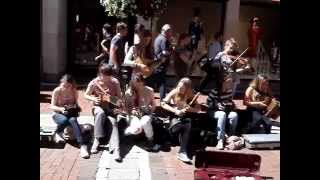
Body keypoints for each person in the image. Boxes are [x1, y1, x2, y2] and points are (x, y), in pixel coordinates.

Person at [84, 64, 123, 162]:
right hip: (98, 107)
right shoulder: (94, 82)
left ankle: (116, 150)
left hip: (110, 108)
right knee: (100, 113)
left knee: (113, 123)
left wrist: (111, 99)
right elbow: (86, 94)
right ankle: (97, 140)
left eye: (108, 75)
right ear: (100, 73)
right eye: (104, 75)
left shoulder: (115, 82)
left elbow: (120, 99)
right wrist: (93, 98)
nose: (106, 78)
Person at [161, 78, 201, 164]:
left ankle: (182, 152)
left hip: (184, 119)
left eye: (182, 88)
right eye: (178, 86)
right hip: (174, 119)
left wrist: (191, 109)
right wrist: (175, 111)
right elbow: (163, 103)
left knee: (188, 122)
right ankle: (180, 144)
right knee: (185, 124)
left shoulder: (190, 94)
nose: (179, 89)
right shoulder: (174, 92)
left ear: (187, 88)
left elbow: (198, 109)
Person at [50, 74, 89, 158]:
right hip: (58, 114)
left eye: (68, 86)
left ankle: (82, 146)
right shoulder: (57, 91)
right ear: (61, 83)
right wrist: (61, 109)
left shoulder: (74, 91)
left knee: (73, 120)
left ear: (72, 84)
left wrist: (76, 107)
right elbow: (52, 106)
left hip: (70, 113)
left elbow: (76, 104)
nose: (66, 88)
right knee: (65, 120)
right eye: (64, 85)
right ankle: (58, 131)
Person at [123, 73, 156, 151]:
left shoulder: (149, 90)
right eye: (134, 83)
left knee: (145, 122)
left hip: (146, 114)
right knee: (136, 129)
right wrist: (132, 111)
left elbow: (154, 105)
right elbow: (126, 108)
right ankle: (135, 129)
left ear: (142, 82)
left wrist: (149, 109)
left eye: (138, 83)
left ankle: (150, 140)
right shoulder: (129, 92)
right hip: (134, 115)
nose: (136, 85)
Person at [207, 73, 238, 150]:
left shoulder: (229, 91)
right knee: (222, 114)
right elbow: (208, 104)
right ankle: (220, 139)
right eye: (229, 82)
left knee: (234, 115)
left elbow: (230, 102)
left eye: (231, 82)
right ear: (223, 82)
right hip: (213, 112)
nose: (231, 84)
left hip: (226, 111)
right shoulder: (214, 91)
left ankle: (231, 136)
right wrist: (217, 105)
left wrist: (230, 104)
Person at [145, 24, 173, 100]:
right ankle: (162, 99)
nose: (171, 33)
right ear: (166, 31)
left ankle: (158, 98)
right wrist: (171, 49)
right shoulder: (164, 40)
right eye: (170, 31)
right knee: (161, 82)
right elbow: (165, 52)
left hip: (157, 63)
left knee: (158, 81)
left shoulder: (158, 38)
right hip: (161, 63)